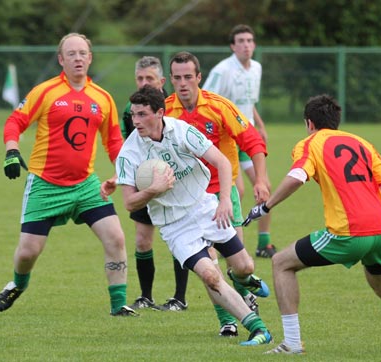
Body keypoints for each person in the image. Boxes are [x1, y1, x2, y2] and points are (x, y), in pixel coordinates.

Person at [242, 94, 381, 355]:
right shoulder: (361, 142)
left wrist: (266, 206)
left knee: (281, 263)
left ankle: (291, 342)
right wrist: (372, 216)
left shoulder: (310, 144)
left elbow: (297, 176)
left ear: (309, 123)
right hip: (380, 230)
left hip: (347, 232)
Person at [110, 85, 273, 346]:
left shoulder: (181, 129)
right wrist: (154, 190)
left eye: (142, 115)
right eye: (133, 115)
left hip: (205, 207)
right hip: (174, 225)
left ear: (160, 113)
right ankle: (258, 328)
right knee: (210, 274)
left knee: (244, 266)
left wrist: (223, 202)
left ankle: (244, 278)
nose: (135, 121)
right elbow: (129, 203)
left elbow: (221, 161)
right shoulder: (129, 152)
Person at [0, 33, 136, 317]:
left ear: (90, 58)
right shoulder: (45, 92)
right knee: (28, 253)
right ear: (61, 59)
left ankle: (118, 304)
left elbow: (114, 142)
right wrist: (11, 151)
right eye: (71, 53)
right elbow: (15, 121)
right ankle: (18, 284)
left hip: (86, 185)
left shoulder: (103, 98)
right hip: (45, 186)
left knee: (116, 238)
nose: (78, 58)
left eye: (83, 53)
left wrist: (124, 172)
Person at [165, 51, 269, 336]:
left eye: (189, 77)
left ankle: (244, 284)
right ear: (171, 79)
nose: (183, 83)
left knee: (242, 266)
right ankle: (227, 321)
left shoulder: (219, 107)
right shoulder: (166, 112)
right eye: (177, 78)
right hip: (189, 201)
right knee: (208, 264)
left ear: (199, 77)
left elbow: (252, 140)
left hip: (223, 193)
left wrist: (260, 179)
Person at [120, 56, 189, 312]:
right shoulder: (130, 109)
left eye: (149, 78)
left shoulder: (174, 106)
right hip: (144, 180)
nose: (143, 83)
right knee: (142, 240)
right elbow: (126, 146)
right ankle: (145, 296)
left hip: (176, 182)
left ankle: (179, 297)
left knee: (179, 240)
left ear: (161, 81)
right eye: (139, 78)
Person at [203, 24, 276, 258]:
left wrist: (260, 125)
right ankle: (220, 240)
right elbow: (206, 100)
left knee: (265, 186)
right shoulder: (222, 71)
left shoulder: (256, 68)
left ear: (254, 44)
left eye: (249, 40)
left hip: (246, 136)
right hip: (226, 138)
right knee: (236, 190)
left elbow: (248, 103)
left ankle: (264, 243)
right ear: (232, 46)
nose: (246, 45)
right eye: (241, 41)